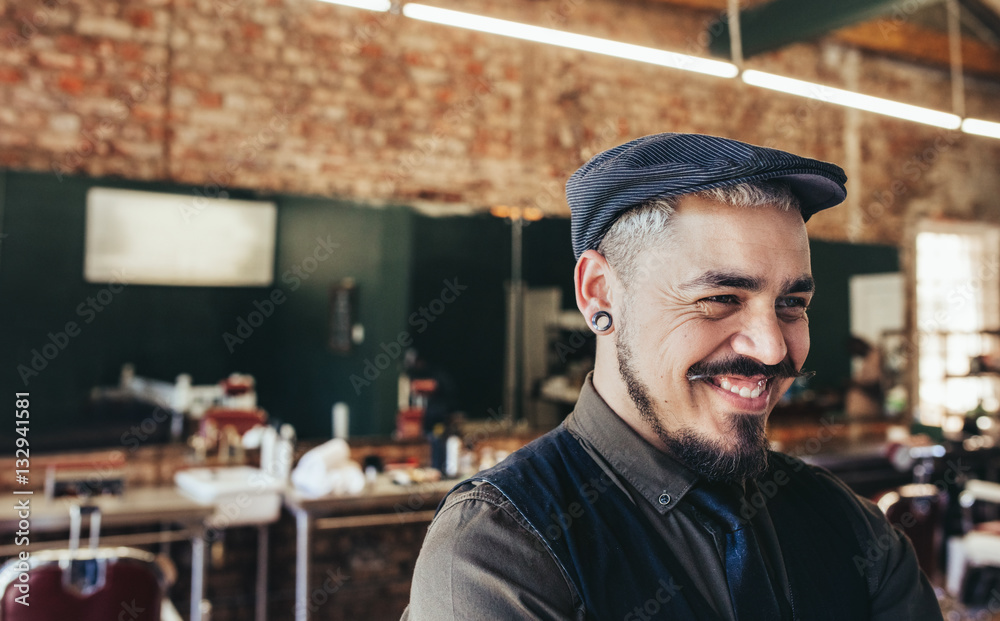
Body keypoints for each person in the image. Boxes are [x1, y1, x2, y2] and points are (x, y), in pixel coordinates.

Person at [401, 133, 942, 620]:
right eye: (721, 298)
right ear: (599, 294)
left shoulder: (850, 528)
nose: (773, 346)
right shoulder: (501, 551)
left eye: (792, 303)